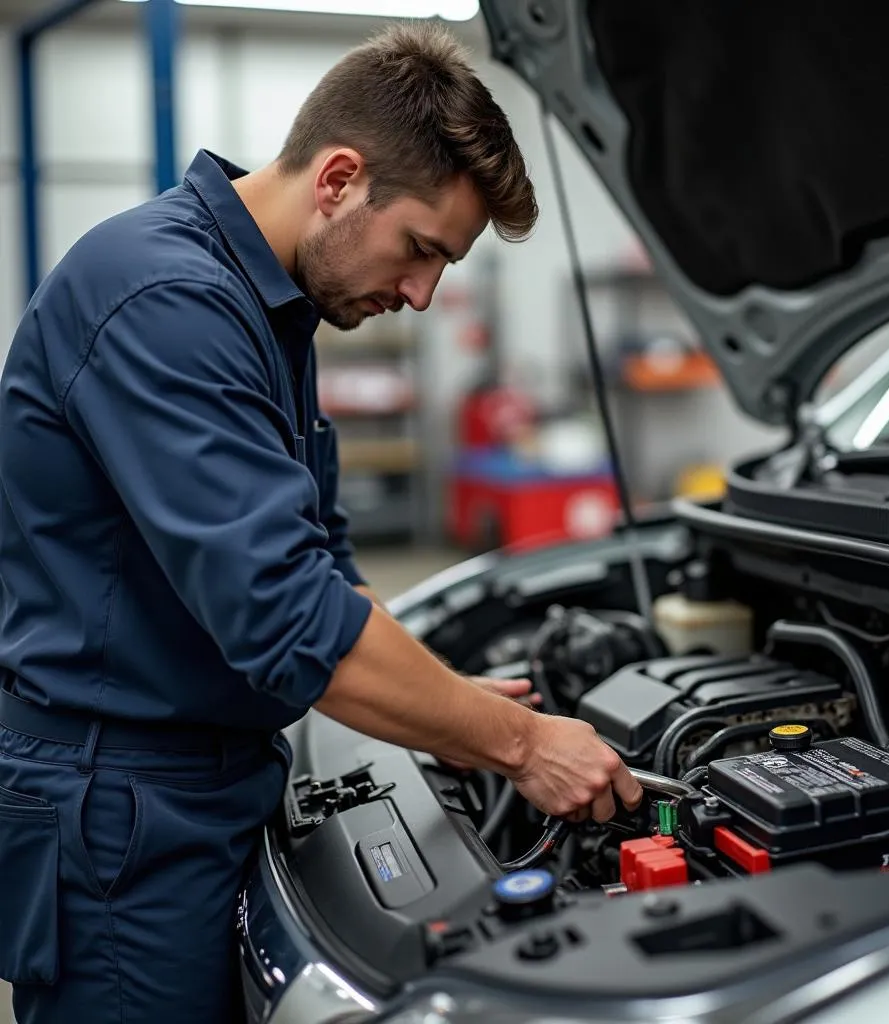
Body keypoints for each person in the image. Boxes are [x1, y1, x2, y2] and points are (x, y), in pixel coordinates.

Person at [0, 21, 642, 1024]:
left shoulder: (269, 308)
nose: (424, 295)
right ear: (339, 178)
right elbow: (287, 616)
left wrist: (439, 696)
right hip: (124, 811)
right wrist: (518, 744)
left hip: (206, 776)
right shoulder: (166, 298)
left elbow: (323, 559)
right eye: (421, 249)